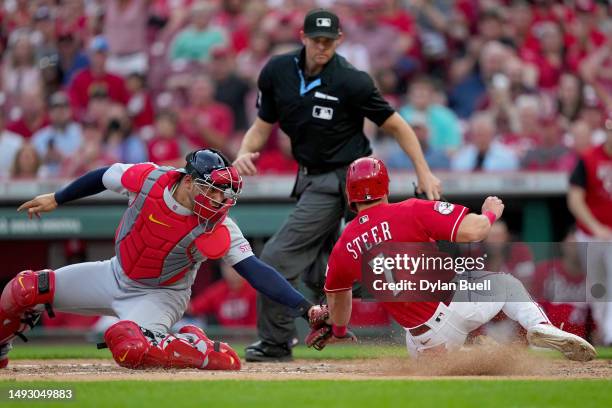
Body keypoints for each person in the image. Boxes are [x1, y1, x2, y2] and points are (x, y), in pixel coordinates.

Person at [233, 8, 441, 362]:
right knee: (321, 274)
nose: (323, 48)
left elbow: (397, 125)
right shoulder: (277, 72)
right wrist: (243, 152)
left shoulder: (351, 80)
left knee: (276, 258)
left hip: (348, 179)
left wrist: (424, 171)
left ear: (339, 41)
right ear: (303, 37)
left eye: (329, 42)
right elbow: (262, 125)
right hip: (312, 176)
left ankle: (275, 342)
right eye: (317, 41)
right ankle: (426, 309)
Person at [0, 149, 321, 370]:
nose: (221, 201)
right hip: (114, 273)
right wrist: (57, 198)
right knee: (26, 288)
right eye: (214, 191)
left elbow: (256, 272)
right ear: (190, 181)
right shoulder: (149, 178)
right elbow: (103, 176)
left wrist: (308, 310)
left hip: (161, 294)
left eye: (226, 194)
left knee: (129, 347)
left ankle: (204, 352)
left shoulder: (219, 225)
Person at [307, 157, 596, 361]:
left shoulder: (343, 244)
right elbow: (475, 231)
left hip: (424, 340)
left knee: (427, 351)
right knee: (506, 285)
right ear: (385, 187)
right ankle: (540, 327)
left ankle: (477, 357)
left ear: (350, 194)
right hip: (455, 306)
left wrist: (340, 332)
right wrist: (490, 212)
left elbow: (338, 303)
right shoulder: (410, 209)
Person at [567, 118, 612, 345]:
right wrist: (595, 227)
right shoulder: (588, 158)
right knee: (598, 285)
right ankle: (604, 330)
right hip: (591, 234)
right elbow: (575, 199)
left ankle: (609, 332)